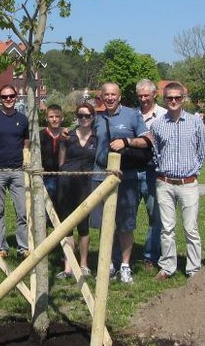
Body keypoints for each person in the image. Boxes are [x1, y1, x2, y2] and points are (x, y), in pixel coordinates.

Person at [91, 82, 150, 284]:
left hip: (127, 177)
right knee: (103, 223)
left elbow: (146, 139)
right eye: (106, 94)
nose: (109, 98)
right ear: (101, 96)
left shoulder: (132, 115)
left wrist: (127, 142)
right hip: (100, 175)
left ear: (119, 96)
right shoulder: (96, 118)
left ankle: (124, 265)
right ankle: (107, 263)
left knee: (125, 224)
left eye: (113, 94)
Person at [150, 82, 205, 280]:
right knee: (167, 228)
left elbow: (202, 151)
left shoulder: (195, 122)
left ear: (183, 99)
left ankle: (193, 269)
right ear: (164, 100)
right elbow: (155, 152)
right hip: (164, 183)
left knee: (191, 228)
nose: (173, 101)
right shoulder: (157, 125)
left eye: (177, 97)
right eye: (169, 98)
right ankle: (167, 267)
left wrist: (193, 171)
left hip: (188, 183)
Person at [0, 85, 30, 257]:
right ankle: (1, 247)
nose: (8, 99)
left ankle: (23, 247)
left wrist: (22, 159)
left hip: (18, 171)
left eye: (11, 96)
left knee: (22, 211)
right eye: (4, 97)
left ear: (16, 97)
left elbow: (26, 143)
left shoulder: (23, 119)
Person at [55, 102, 98, 279]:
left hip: (86, 185)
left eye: (87, 116)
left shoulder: (97, 137)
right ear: (76, 117)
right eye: (80, 116)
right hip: (66, 184)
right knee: (67, 226)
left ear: (92, 117)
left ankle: (84, 264)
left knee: (83, 226)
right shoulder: (68, 136)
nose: (84, 119)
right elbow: (61, 161)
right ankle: (68, 266)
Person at [135, 79, 165, 271]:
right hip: (132, 169)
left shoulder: (163, 115)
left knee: (156, 216)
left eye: (147, 95)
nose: (144, 99)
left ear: (155, 94)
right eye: (140, 96)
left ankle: (151, 256)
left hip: (153, 170)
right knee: (126, 215)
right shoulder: (132, 115)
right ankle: (121, 257)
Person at [39, 104, 67, 202]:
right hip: (45, 177)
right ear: (46, 118)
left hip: (63, 177)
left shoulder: (68, 135)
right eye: (51, 117)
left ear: (62, 118)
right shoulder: (39, 136)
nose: (54, 119)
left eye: (57, 116)